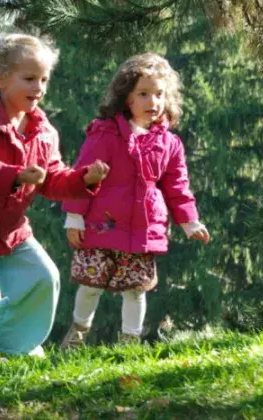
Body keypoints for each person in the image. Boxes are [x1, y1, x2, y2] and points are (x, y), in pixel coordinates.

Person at [0, 33, 109, 368]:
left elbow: (53, 177)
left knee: (43, 279)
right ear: (0, 78)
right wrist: (14, 175)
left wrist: (84, 179)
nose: (38, 87)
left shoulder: (44, 132)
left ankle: (12, 346)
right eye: (29, 78)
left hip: (11, 231)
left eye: (44, 79)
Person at [60, 53, 210, 348]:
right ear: (125, 97)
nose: (152, 102)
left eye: (159, 94)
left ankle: (130, 342)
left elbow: (177, 186)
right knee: (91, 285)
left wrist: (189, 222)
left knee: (136, 289)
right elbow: (83, 175)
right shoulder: (105, 134)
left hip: (142, 230)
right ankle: (77, 335)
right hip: (100, 226)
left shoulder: (169, 143)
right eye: (143, 94)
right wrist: (74, 217)